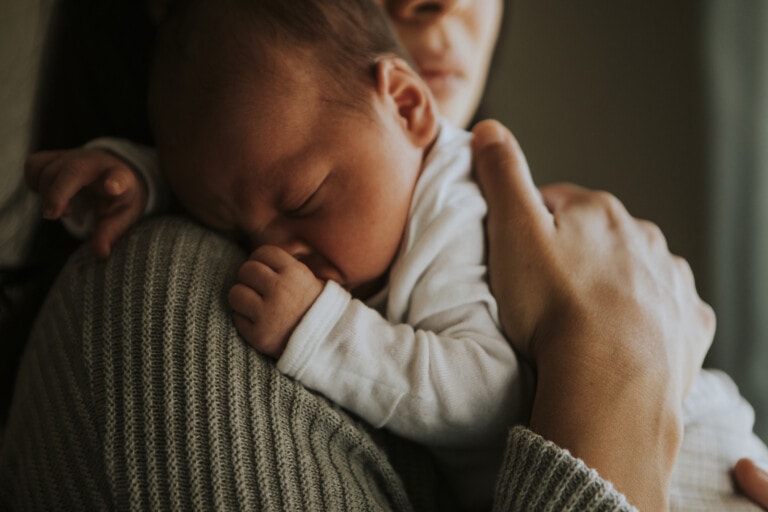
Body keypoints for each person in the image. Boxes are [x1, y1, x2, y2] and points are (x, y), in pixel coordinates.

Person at [2, 0, 767, 510]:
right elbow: (250, 168)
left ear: (403, 104)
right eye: (236, 234)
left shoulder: (452, 218)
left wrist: (324, 334)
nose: (276, 254)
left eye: (302, 205)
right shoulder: (157, 305)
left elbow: (483, 392)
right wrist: (612, 361)